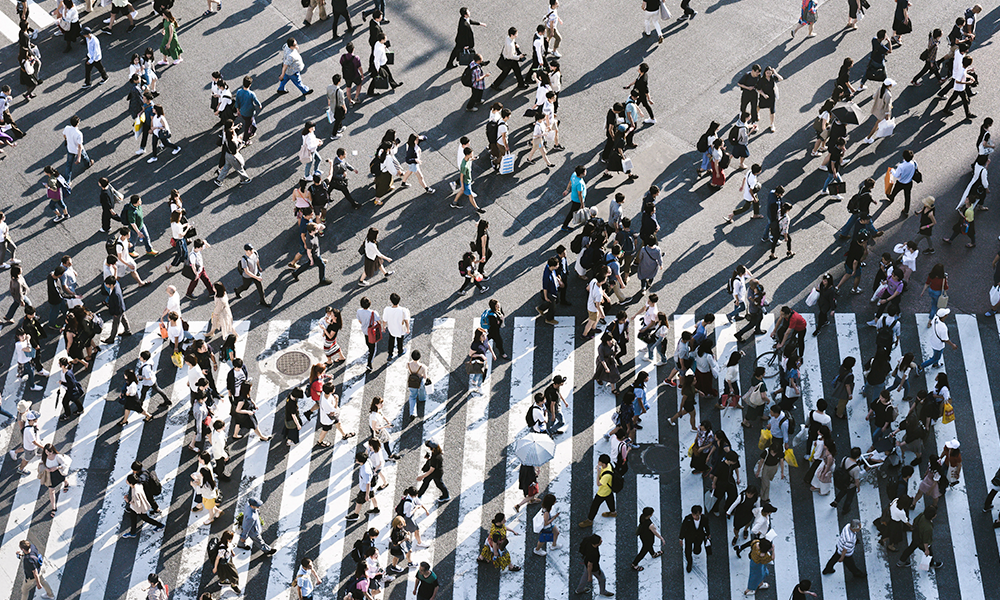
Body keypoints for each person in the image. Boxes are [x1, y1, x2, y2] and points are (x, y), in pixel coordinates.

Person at [122, 472, 165, 538]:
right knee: (133, 517)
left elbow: (137, 504)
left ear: (131, 482)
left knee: (145, 518)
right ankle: (132, 532)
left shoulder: (135, 492)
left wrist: (128, 501)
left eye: (127, 480)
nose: (126, 481)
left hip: (139, 509)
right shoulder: (138, 484)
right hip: (137, 507)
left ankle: (160, 525)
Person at [578, 454, 615, 528]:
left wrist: (598, 472)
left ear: (603, 464)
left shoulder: (606, 475)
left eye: (599, 462)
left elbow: (598, 483)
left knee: (594, 506)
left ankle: (590, 520)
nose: (598, 462)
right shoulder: (609, 465)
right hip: (608, 490)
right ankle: (613, 512)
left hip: (602, 492)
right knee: (610, 500)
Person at [678, 505, 710, 573]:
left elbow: (706, 526)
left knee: (697, 550)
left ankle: (696, 549)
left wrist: (708, 534)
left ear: (700, 514)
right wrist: (681, 538)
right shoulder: (688, 519)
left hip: (699, 536)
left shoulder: (704, 518)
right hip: (689, 537)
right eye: (693, 515)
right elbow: (683, 528)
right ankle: (689, 563)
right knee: (688, 551)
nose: (695, 517)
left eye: (697, 515)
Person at [831, 447, 862, 512]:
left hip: (842, 480)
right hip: (850, 484)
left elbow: (841, 467)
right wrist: (858, 487)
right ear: (858, 456)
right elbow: (856, 480)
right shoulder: (856, 468)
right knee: (849, 498)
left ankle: (836, 501)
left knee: (842, 491)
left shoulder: (845, 458)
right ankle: (845, 509)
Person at [212, 530, 241, 595]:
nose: (232, 540)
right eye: (231, 538)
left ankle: (222, 582)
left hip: (228, 560)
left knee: (223, 574)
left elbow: (229, 547)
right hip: (225, 564)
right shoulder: (222, 548)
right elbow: (217, 558)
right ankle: (233, 585)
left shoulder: (226, 543)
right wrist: (215, 568)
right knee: (234, 575)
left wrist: (232, 552)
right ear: (228, 539)